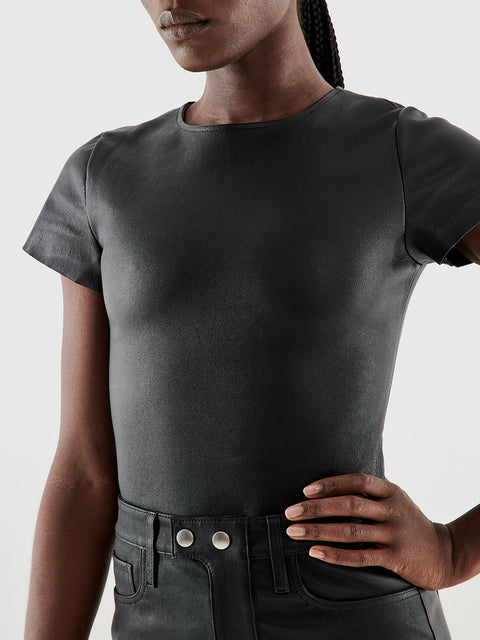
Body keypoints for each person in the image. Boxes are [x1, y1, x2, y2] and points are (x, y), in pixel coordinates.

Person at [21, 1, 480, 639]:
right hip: (157, 616)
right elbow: (85, 470)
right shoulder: (103, 177)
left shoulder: (403, 153)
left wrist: (455, 550)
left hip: (349, 611)